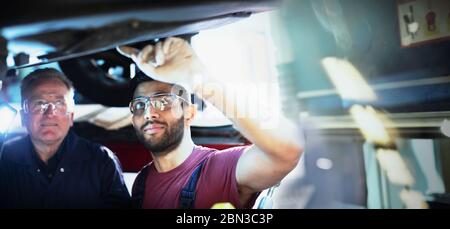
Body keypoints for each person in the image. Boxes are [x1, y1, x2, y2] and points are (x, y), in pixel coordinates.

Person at [118, 37, 303, 208]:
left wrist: (198, 78)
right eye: (140, 104)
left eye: (164, 101)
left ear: (189, 113)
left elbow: (289, 148)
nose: (150, 113)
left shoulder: (220, 168)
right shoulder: (142, 182)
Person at [0, 68, 131, 208]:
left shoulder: (101, 160)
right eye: (39, 104)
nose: (50, 113)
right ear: (23, 117)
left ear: (71, 117)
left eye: (59, 104)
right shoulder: (4, 158)